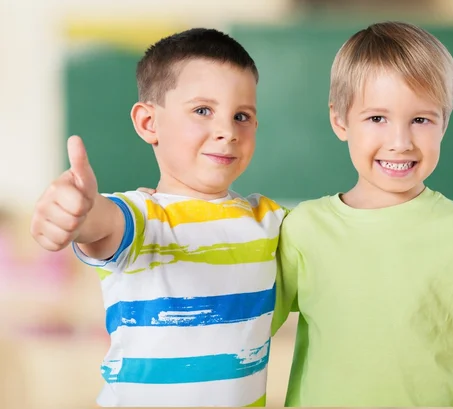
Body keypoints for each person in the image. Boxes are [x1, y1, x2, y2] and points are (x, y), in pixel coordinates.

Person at [272, 21, 453, 407]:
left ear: (445, 122)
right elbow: (243, 327)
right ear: (340, 120)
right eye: (377, 118)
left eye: (421, 120)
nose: (400, 142)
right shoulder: (302, 228)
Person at [29, 28, 286, 407]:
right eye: (203, 110)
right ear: (149, 123)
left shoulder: (269, 219)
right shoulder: (141, 216)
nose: (227, 131)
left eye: (242, 116)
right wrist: (72, 212)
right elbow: (99, 221)